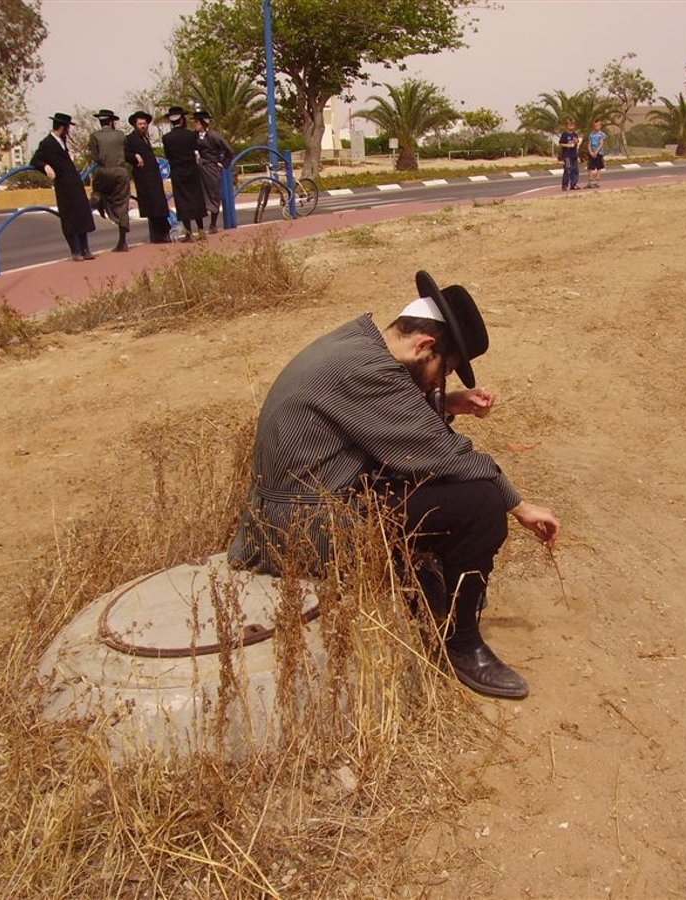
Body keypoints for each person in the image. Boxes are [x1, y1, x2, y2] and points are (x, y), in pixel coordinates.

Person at [228, 271, 561, 700]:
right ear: (425, 345)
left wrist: (448, 403)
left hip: (298, 505)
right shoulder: (370, 371)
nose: (440, 382)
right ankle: (460, 643)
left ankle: (422, 581)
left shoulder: (358, 342)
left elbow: (380, 415)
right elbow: (450, 455)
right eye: (446, 370)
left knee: (431, 485)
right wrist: (520, 506)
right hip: (297, 531)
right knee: (480, 501)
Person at [30, 112, 96, 261]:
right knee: (70, 218)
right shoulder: (47, 143)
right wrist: (45, 166)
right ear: (62, 127)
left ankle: (85, 249)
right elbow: (35, 160)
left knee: (81, 215)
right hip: (63, 185)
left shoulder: (63, 141)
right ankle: (76, 250)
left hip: (74, 183)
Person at [124, 111, 172, 244]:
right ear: (135, 125)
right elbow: (124, 153)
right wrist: (134, 156)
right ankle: (159, 235)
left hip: (154, 177)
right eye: (140, 124)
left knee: (159, 206)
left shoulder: (146, 137)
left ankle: (163, 234)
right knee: (152, 206)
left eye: (144, 123)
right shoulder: (130, 139)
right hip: (143, 178)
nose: (143, 126)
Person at [87, 109, 132, 252]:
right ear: (112, 121)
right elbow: (125, 150)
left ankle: (99, 201)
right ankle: (123, 241)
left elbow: (95, 156)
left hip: (103, 171)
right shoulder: (120, 135)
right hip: (120, 172)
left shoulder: (94, 136)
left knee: (99, 191)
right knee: (122, 203)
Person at [161, 105, 206, 242]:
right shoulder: (191, 135)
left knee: (182, 202)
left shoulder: (166, 138)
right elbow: (197, 150)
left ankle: (188, 233)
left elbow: (168, 155)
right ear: (182, 119)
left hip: (177, 172)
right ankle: (201, 230)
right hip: (192, 170)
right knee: (196, 199)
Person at [193, 110, 234, 234]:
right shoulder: (193, 136)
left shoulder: (214, 136)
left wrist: (223, 164)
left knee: (213, 194)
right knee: (198, 195)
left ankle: (213, 224)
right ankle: (200, 227)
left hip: (211, 167)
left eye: (196, 122)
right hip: (199, 167)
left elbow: (229, 151)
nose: (195, 124)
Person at [559, 118, 581, 191]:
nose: (571, 126)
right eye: (570, 124)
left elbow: (577, 142)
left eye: (573, 125)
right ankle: (565, 185)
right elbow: (560, 143)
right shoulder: (564, 134)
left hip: (574, 155)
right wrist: (567, 145)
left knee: (575, 170)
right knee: (567, 169)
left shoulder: (575, 134)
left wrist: (576, 141)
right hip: (567, 156)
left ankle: (573, 184)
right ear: (567, 126)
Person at [586, 119, 606, 189]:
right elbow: (589, 144)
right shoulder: (591, 134)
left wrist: (596, 152)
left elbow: (601, 144)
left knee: (599, 167)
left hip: (599, 153)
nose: (596, 127)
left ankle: (597, 182)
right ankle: (590, 182)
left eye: (597, 125)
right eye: (595, 125)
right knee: (590, 167)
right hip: (591, 153)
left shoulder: (602, 134)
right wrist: (591, 152)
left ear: (600, 126)